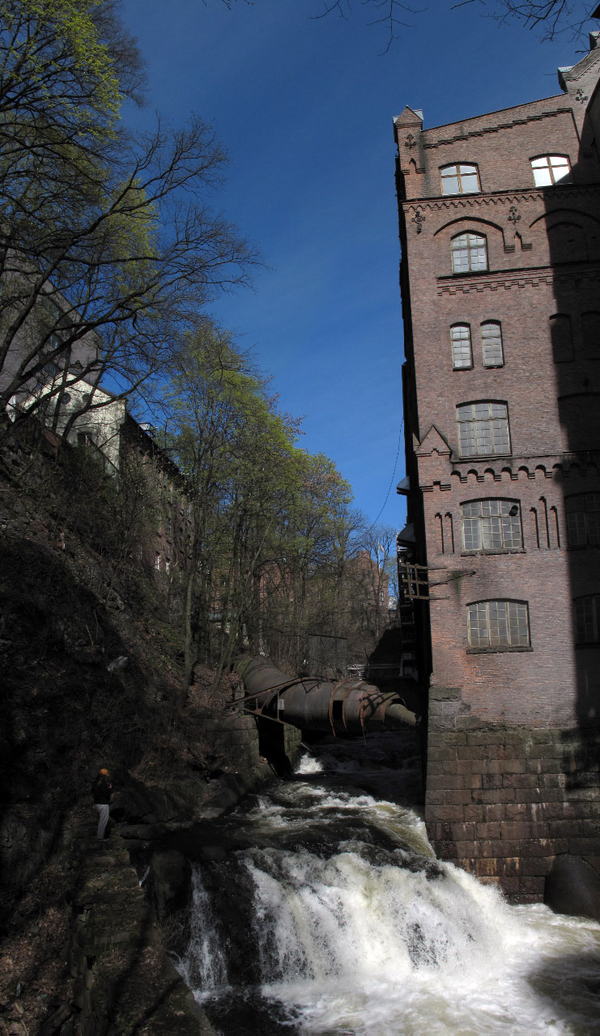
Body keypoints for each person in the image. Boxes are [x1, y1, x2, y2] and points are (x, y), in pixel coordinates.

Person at [92, 768, 112, 840]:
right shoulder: (103, 784)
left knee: (100, 820)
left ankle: (99, 835)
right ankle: (100, 837)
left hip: (96, 804)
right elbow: (107, 794)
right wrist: (109, 788)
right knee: (103, 822)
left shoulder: (94, 783)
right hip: (103, 804)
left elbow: (92, 791)